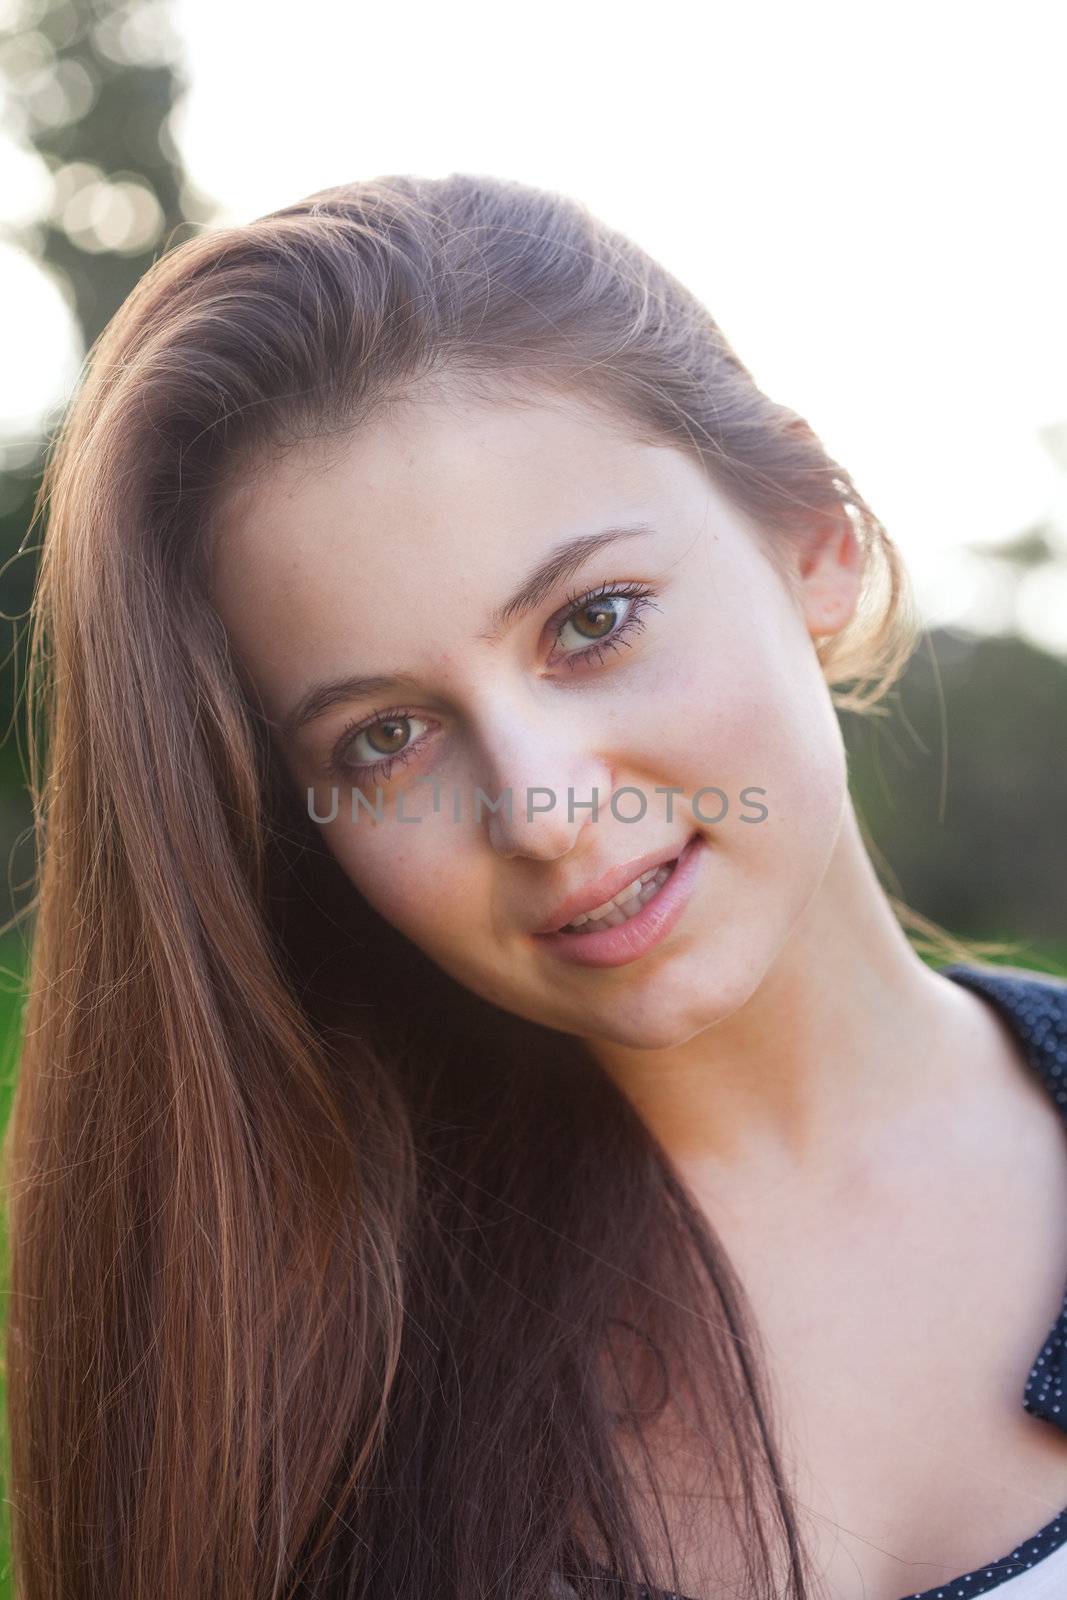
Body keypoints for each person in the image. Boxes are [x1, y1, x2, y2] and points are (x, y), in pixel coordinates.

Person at [3, 172, 1066, 1600]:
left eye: (593, 622)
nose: (545, 814)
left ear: (815, 540)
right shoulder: (299, 1400)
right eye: (385, 737)